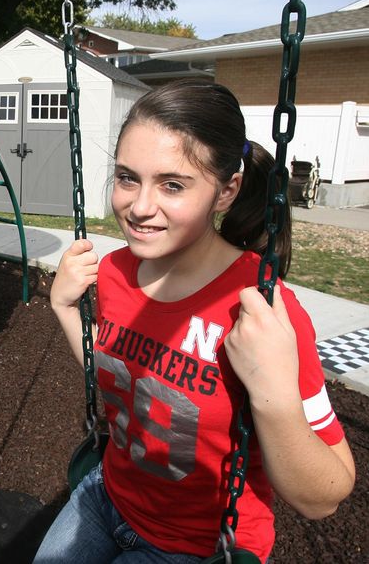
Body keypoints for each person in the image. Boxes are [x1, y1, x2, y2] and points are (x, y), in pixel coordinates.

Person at [34, 80, 355, 563]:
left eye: (172, 185)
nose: (140, 207)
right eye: (127, 178)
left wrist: (275, 398)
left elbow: (325, 495)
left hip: (197, 546)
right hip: (108, 498)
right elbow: (120, 375)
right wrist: (63, 309)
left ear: (226, 191)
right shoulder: (118, 272)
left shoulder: (262, 310)